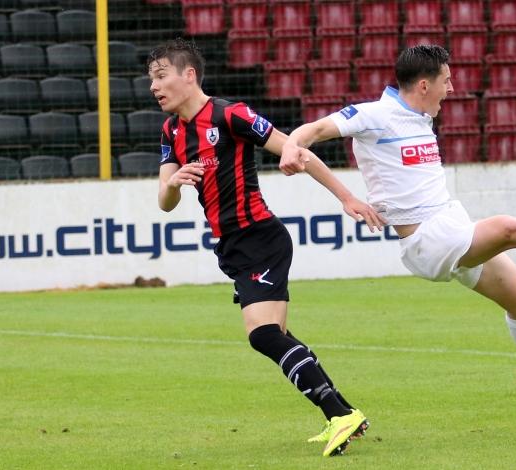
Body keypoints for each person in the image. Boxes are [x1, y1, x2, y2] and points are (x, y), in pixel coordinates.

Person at [280, 44, 516, 407]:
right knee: (511, 229)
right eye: (447, 79)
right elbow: (309, 132)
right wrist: (297, 152)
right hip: (427, 241)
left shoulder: (421, 117)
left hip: (451, 225)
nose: (452, 88)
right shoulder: (374, 115)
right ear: (424, 85)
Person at [149, 38, 384, 457]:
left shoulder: (230, 114)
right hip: (232, 248)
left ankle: (339, 414)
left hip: (259, 236)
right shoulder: (171, 131)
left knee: (261, 335)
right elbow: (165, 203)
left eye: (161, 75)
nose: (154, 85)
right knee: (274, 335)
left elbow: (295, 150)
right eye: (151, 77)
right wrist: (173, 180)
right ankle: (343, 412)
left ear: (189, 75)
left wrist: (346, 197)